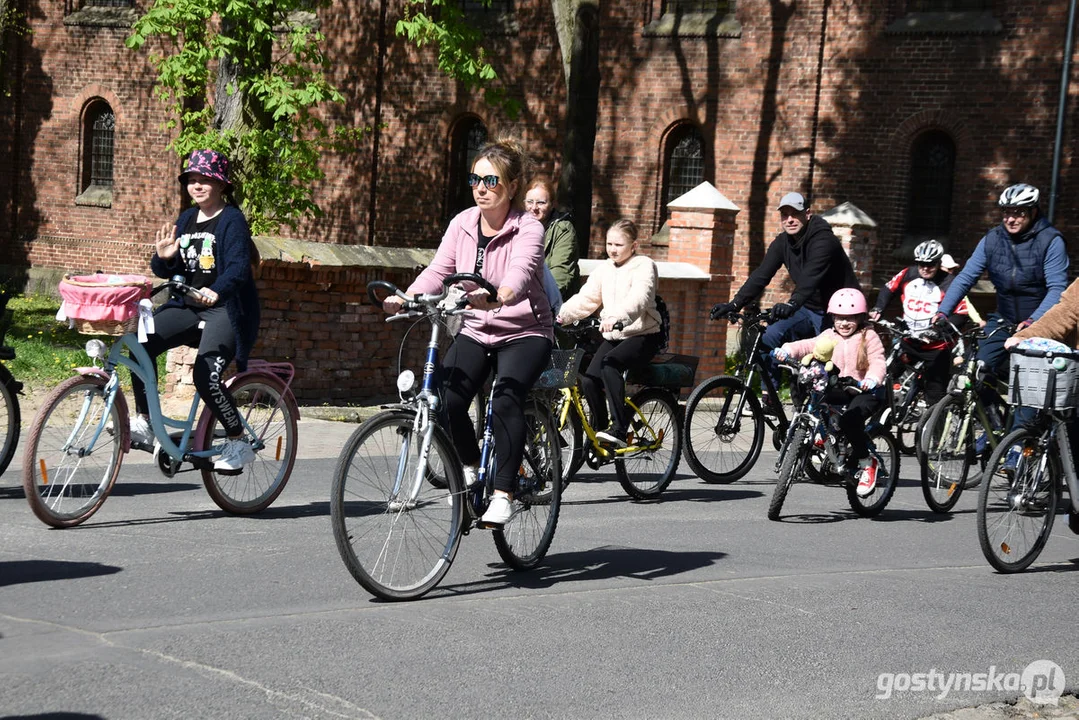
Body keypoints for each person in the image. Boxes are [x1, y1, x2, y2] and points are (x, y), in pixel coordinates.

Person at [382, 139, 552, 527]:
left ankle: (504, 493)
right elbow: (438, 271)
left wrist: (501, 295)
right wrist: (407, 297)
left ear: (510, 187)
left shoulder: (528, 228)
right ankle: (472, 466)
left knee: (506, 399)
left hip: (525, 330)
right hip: (476, 327)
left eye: (490, 180)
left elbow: (521, 273)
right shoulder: (462, 223)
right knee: (446, 399)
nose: (480, 187)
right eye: (474, 178)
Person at [132, 149, 261, 472]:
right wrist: (163, 256)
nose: (197, 185)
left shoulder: (232, 220)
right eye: (192, 179)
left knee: (205, 375)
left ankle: (237, 439)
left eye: (205, 179)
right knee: (139, 343)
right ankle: (145, 420)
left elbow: (238, 269)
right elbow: (167, 269)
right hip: (187, 305)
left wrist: (215, 291)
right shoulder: (187, 218)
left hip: (225, 310)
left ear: (221, 185)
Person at [709, 192, 860, 407]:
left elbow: (810, 278)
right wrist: (734, 303)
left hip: (839, 313)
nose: (789, 219)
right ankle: (769, 399)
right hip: (807, 308)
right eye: (785, 215)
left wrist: (791, 304)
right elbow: (762, 274)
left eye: (795, 214)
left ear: (807, 214)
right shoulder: (783, 242)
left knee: (829, 364)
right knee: (770, 336)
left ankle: (835, 411)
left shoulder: (823, 240)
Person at [934, 183, 1069, 422]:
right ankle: (995, 422)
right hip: (1004, 317)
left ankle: (1017, 443)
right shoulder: (993, 239)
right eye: (1007, 212)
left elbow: (1057, 288)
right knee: (975, 371)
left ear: (1033, 212)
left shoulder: (1051, 240)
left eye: (1019, 212)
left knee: (1029, 390)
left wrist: (1033, 321)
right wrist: (943, 311)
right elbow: (966, 277)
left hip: (1039, 322)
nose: (1011, 218)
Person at [556, 219, 663, 447]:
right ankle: (601, 429)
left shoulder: (644, 265)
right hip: (614, 336)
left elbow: (640, 298)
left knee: (610, 364)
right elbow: (587, 299)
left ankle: (619, 429)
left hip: (643, 334)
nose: (613, 249)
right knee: (588, 379)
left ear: (633, 246)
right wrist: (560, 316)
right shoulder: (604, 269)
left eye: (619, 245)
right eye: (609, 244)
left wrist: (617, 317)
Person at [773, 288, 887, 496]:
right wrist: (787, 350)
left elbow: (878, 361)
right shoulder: (829, 335)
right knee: (812, 392)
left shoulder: (869, 336)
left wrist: (872, 379)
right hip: (839, 387)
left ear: (861, 317)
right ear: (832, 317)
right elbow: (808, 345)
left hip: (864, 390)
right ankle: (821, 434)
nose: (844, 323)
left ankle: (867, 463)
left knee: (850, 421)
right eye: (840, 318)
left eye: (850, 318)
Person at [868, 239, 968, 405]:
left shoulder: (950, 283)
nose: (925, 268)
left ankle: (932, 428)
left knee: (934, 396)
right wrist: (878, 308)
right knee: (885, 377)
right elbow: (888, 288)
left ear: (938, 263)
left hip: (936, 348)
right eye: (921, 264)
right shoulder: (908, 273)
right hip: (909, 341)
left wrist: (939, 330)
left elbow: (962, 314)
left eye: (931, 264)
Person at [525, 176, 580, 301]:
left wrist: (536, 300)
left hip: (553, 302)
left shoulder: (563, 229)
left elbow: (560, 272)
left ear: (553, 204)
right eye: (529, 202)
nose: (534, 208)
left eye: (541, 202)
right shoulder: (517, 227)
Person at [940, 254, 985, 328]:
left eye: (952, 269)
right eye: (948, 268)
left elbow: (966, 303)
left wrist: (978, 320)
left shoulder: (953, 283)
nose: (950, 272)